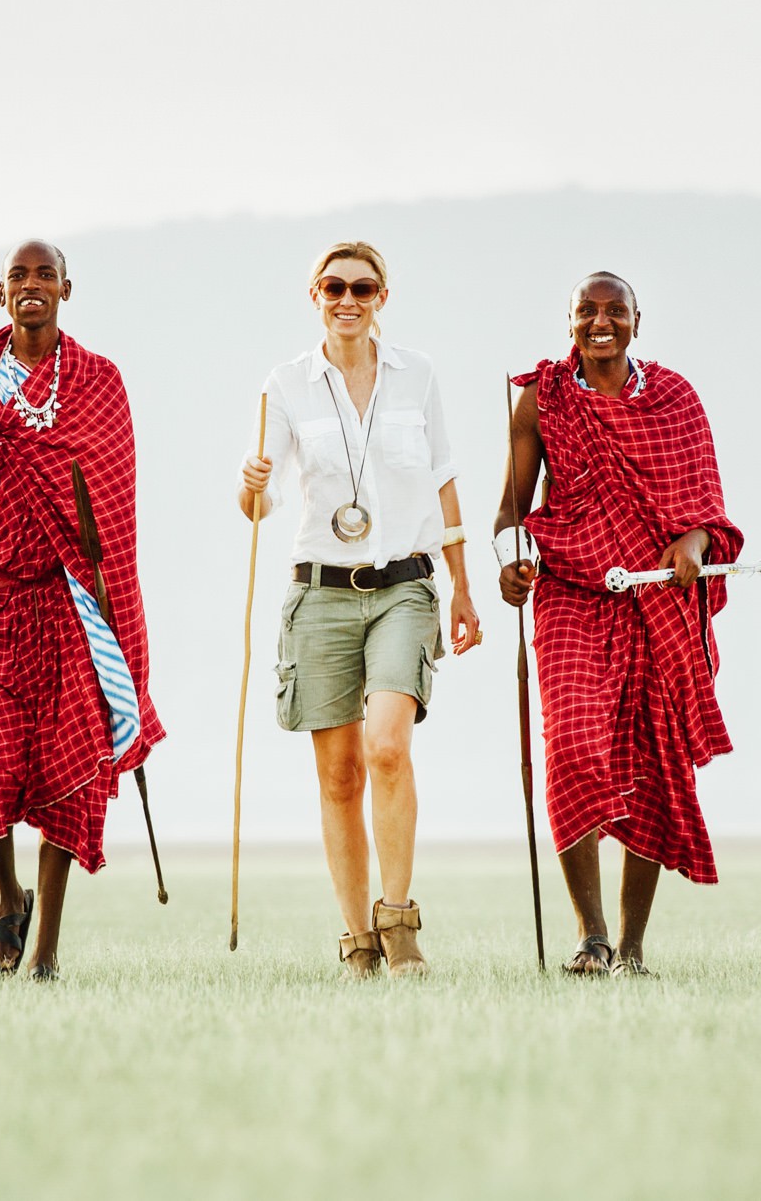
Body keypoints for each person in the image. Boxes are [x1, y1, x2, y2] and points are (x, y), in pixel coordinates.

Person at [238, 241, 481, 978]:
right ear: (314, 293)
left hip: (404, 585)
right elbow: (262, 501)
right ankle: (357, 941)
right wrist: (249, 485)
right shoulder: (286, 383)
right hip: (319, 592)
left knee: (386, 745)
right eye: (335, 286)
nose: (349, 299)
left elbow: (443, 483)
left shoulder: (419, 375)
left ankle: (399, 919)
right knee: (339, 774)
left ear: (382, 297)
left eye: (363, 287)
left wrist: (462, 587)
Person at [0, 239, 164, 982]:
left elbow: (114, 509)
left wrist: (111, 610)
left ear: (67, 288)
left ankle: (48, 955)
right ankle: (7, 896)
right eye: (18, 277)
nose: (32, 286)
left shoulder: (98, 381)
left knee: (69, 773)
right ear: (1, 293)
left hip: (71, 607)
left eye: (45, 275)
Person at [495, 271, 744, 976]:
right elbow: (510, 514)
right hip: (571, 590)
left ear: (639, 320)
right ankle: (591, 936)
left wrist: (692, 547)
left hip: (658, 597)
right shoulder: (541, 400)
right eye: (586, 311)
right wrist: (512, 562)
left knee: (652, 767)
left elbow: (707, 510)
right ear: (568, 320)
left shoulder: (675, 399)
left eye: (615, 311)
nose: (600, 322)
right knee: (571, 745)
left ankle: (631, 950)